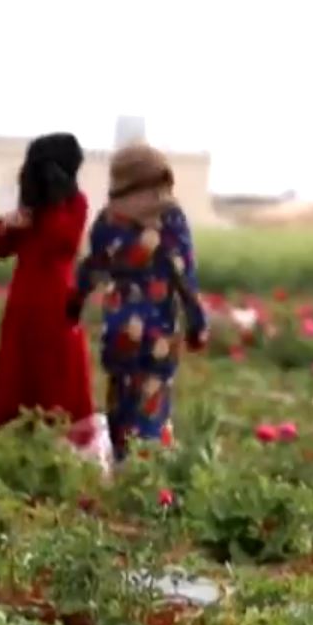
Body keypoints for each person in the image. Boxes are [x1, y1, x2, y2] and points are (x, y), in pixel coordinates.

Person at [66, 143, 208, 460]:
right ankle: (145, 483)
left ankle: (120, 471)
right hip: (159, 331)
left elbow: (91, 269)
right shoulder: (170, 219)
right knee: (151, 410)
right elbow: (184, 274)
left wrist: (72, 306)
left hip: (119, 329)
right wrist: (198, 323)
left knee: (120, 408)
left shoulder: (107, 220)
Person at [0, 133, 95, 432]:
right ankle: (15, 430)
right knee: (20, 365)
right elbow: (2, 247)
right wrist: (8, 224)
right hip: (25, 296)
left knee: (57, 367)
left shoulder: (74, 203)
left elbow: (63, 242)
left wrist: (54, 201)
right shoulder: (31, 208)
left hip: (58, 297)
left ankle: (59, 431)